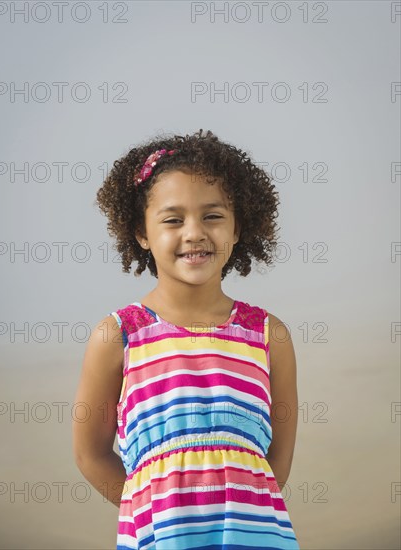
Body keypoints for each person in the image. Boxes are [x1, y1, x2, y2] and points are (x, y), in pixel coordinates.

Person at [73, 129, 300, 549]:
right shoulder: (118, 335)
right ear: (141, 233)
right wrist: (147, 509)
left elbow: (277, 465)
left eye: (212, 216)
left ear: (237, 228)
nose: (194, 232)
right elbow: (91, 454)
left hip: (255, 536)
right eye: (173, 219)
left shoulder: (269, 335)